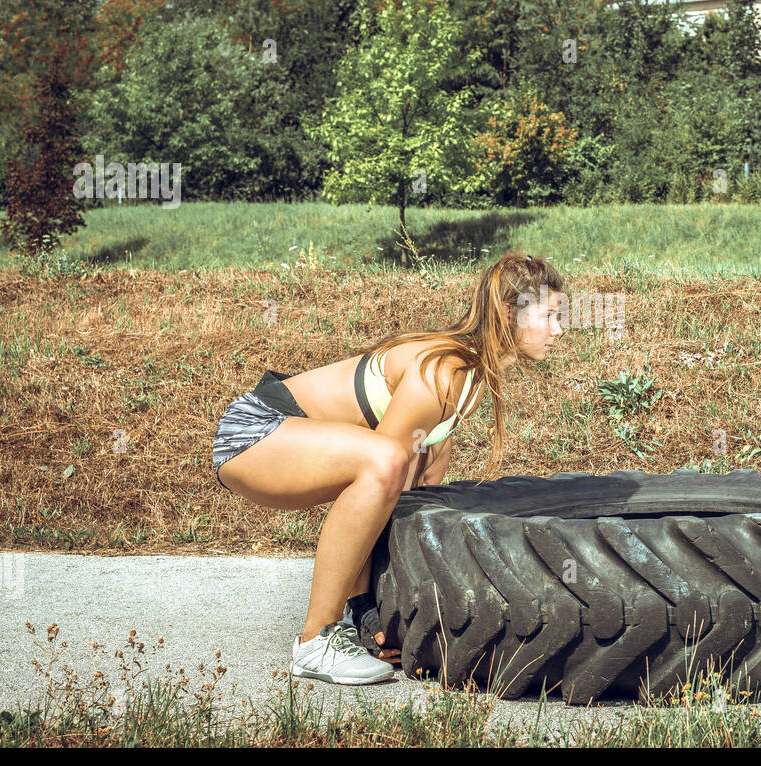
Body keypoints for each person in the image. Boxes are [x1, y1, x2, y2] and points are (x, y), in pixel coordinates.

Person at [211, 253, 566, 684]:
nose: (558, 330)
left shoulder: (471, 379)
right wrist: (362, 607)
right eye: (549, 316)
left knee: (413, 486)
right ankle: (316, 642)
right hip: (253, 434)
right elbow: (384, 474)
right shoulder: (443, 369)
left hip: (289, 443)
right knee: (388, 462)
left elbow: (411, 496)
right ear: (509, 313)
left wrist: (392, 612)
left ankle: (343, 624)